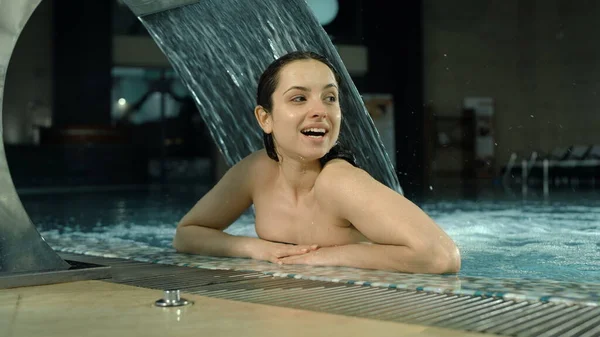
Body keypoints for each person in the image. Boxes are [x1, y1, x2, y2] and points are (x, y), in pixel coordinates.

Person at [173, 51, 461, 274]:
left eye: (330, 97)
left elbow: (442, 256)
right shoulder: (256, 171)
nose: (320, 110)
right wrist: (255, 248)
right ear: (265, 118)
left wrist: (320, 258)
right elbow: (187, 235)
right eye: (299, 98)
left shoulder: (339, 182)